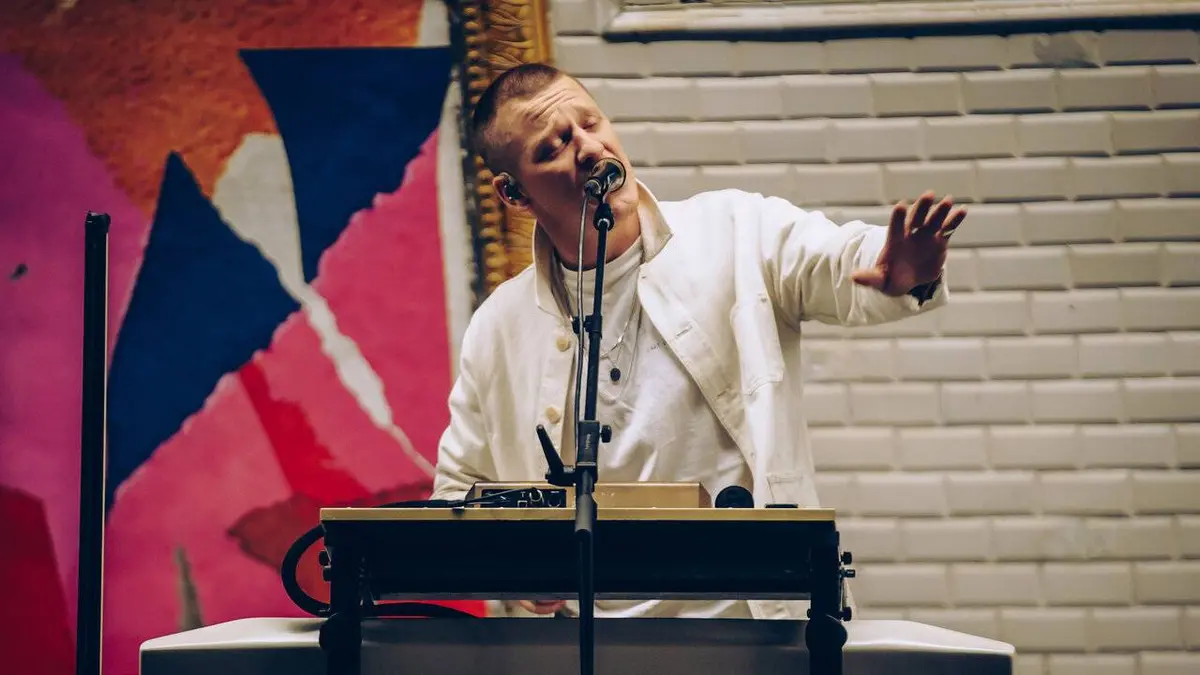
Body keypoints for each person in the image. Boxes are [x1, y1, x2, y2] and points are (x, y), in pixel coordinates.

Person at [430, 63, 966, 620]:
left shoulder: (735, 230)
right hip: (586, 643)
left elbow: (834, 260)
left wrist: (900, 269)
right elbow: (459, 489)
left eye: (590, 123)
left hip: (757, 626)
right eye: (553, 148)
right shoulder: (499, 325)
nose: (589, 149)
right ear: (514, 193)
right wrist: (512, 566)